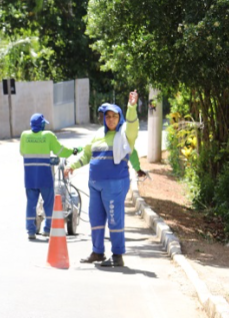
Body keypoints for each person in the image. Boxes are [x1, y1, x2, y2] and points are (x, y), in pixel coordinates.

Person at [64, 90, 140, 267]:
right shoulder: (98, 134)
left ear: (119, 117)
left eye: (114, 116)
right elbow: (86, 154)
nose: (111, 119)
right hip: (95, 185)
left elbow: (132, 125)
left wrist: (131, 106)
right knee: (96, 219)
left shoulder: (125, 134)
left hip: (115, 185)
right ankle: (97, 252)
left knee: (115, 220)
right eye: (108, 116)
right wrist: (72, 165)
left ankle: (117, 255)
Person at [20, 113, 75, 240]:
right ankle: (47, 229)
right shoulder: (48, 136)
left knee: (31, 203)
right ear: (42, 124)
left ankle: (30, 231)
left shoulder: (24, 135)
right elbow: (60, 151)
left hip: (30, 177)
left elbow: (22, 152)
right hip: (44, 175)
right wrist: (74, 150)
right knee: (49, 203)